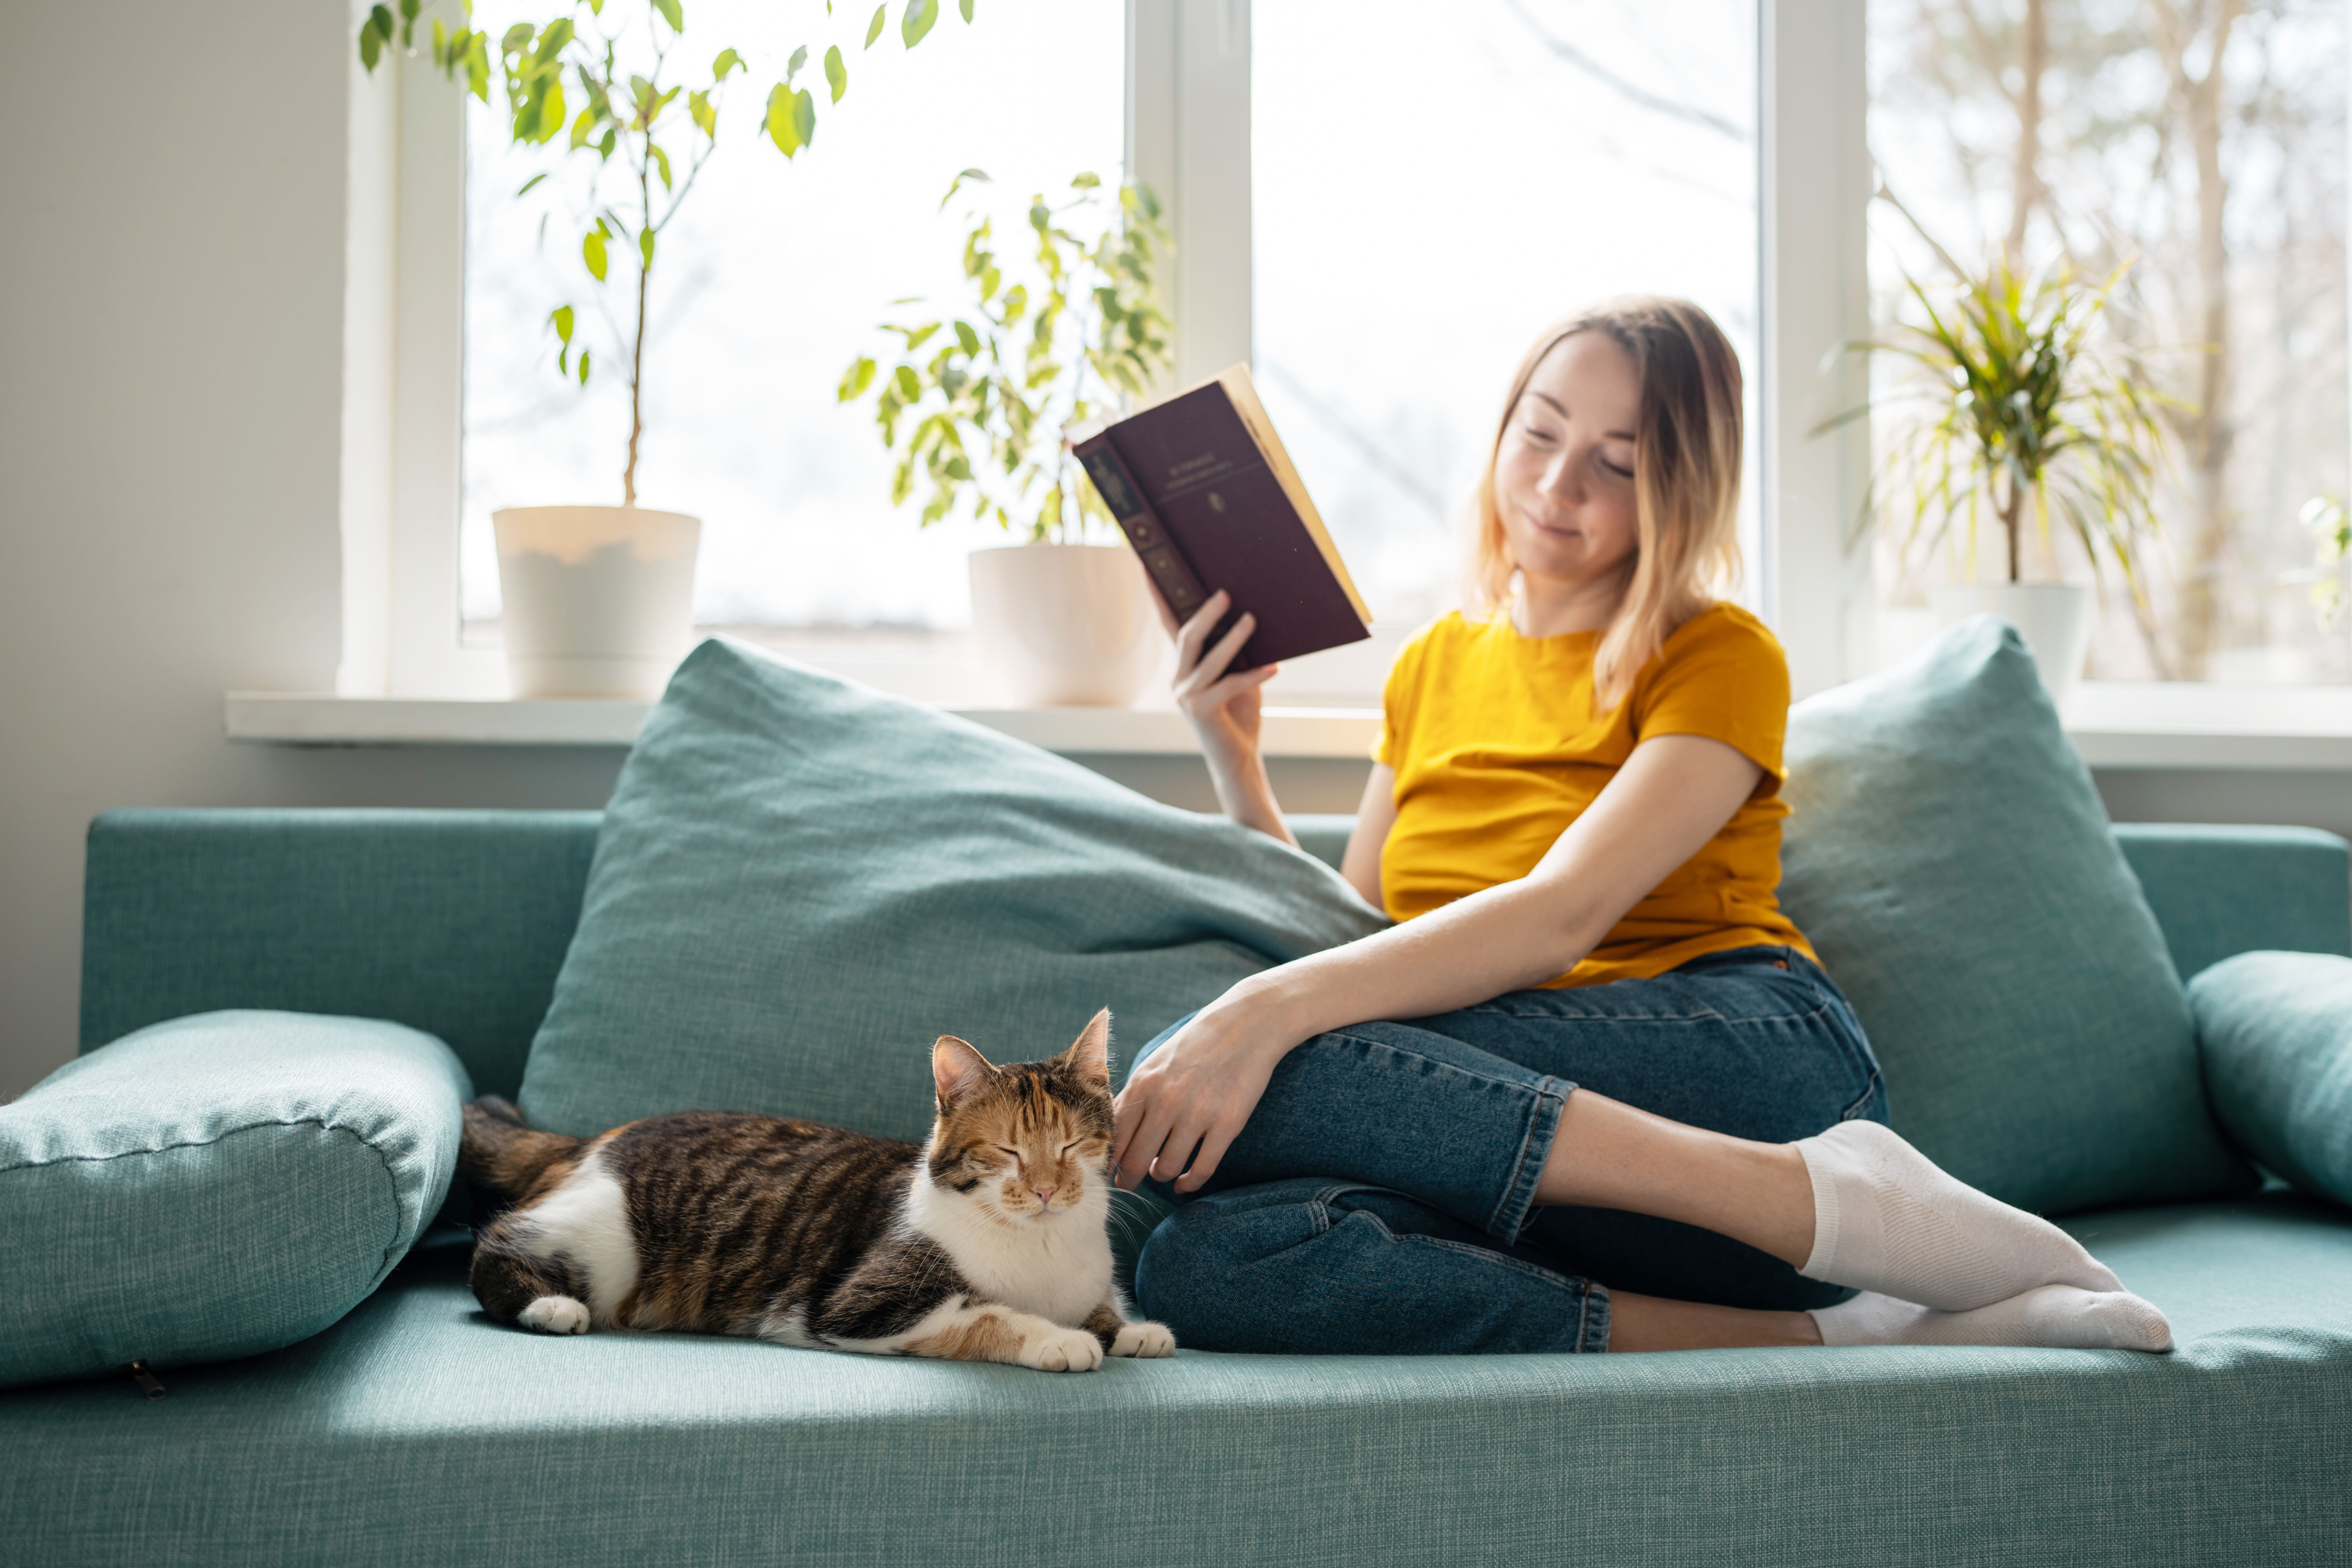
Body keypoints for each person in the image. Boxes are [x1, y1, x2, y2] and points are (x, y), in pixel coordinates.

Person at [1114, 298, 2171, 1355]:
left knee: (1226, 1059)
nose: (1556, 484)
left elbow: (1560, 915)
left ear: (1680, 489)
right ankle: (1854, 1320)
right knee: (1200, 1264)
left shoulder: (1718, 653)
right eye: (1539, 432)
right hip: (1572, 1189)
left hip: (1745, 1059)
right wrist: (1233, 751)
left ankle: (1822, 1188)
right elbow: (1367, 942)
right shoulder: (1432, 663)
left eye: (1616, 464)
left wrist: (1259, 1010)